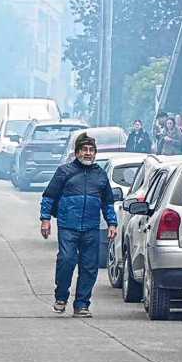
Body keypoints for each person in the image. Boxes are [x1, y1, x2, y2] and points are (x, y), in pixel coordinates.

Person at [39, 132, 117, 318]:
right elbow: (49, 196)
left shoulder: (100, 175)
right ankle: (61, 297)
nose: (88, 153)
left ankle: (82, 304)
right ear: (77, 152)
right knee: (66, 260)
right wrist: (45, 219)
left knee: (89, 267)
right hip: (68, 226)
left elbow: (107, 202)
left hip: (91, 227)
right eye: (84, 150)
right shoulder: (64, 172)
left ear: (95, 153)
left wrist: (112, 223)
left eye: (91, 150)